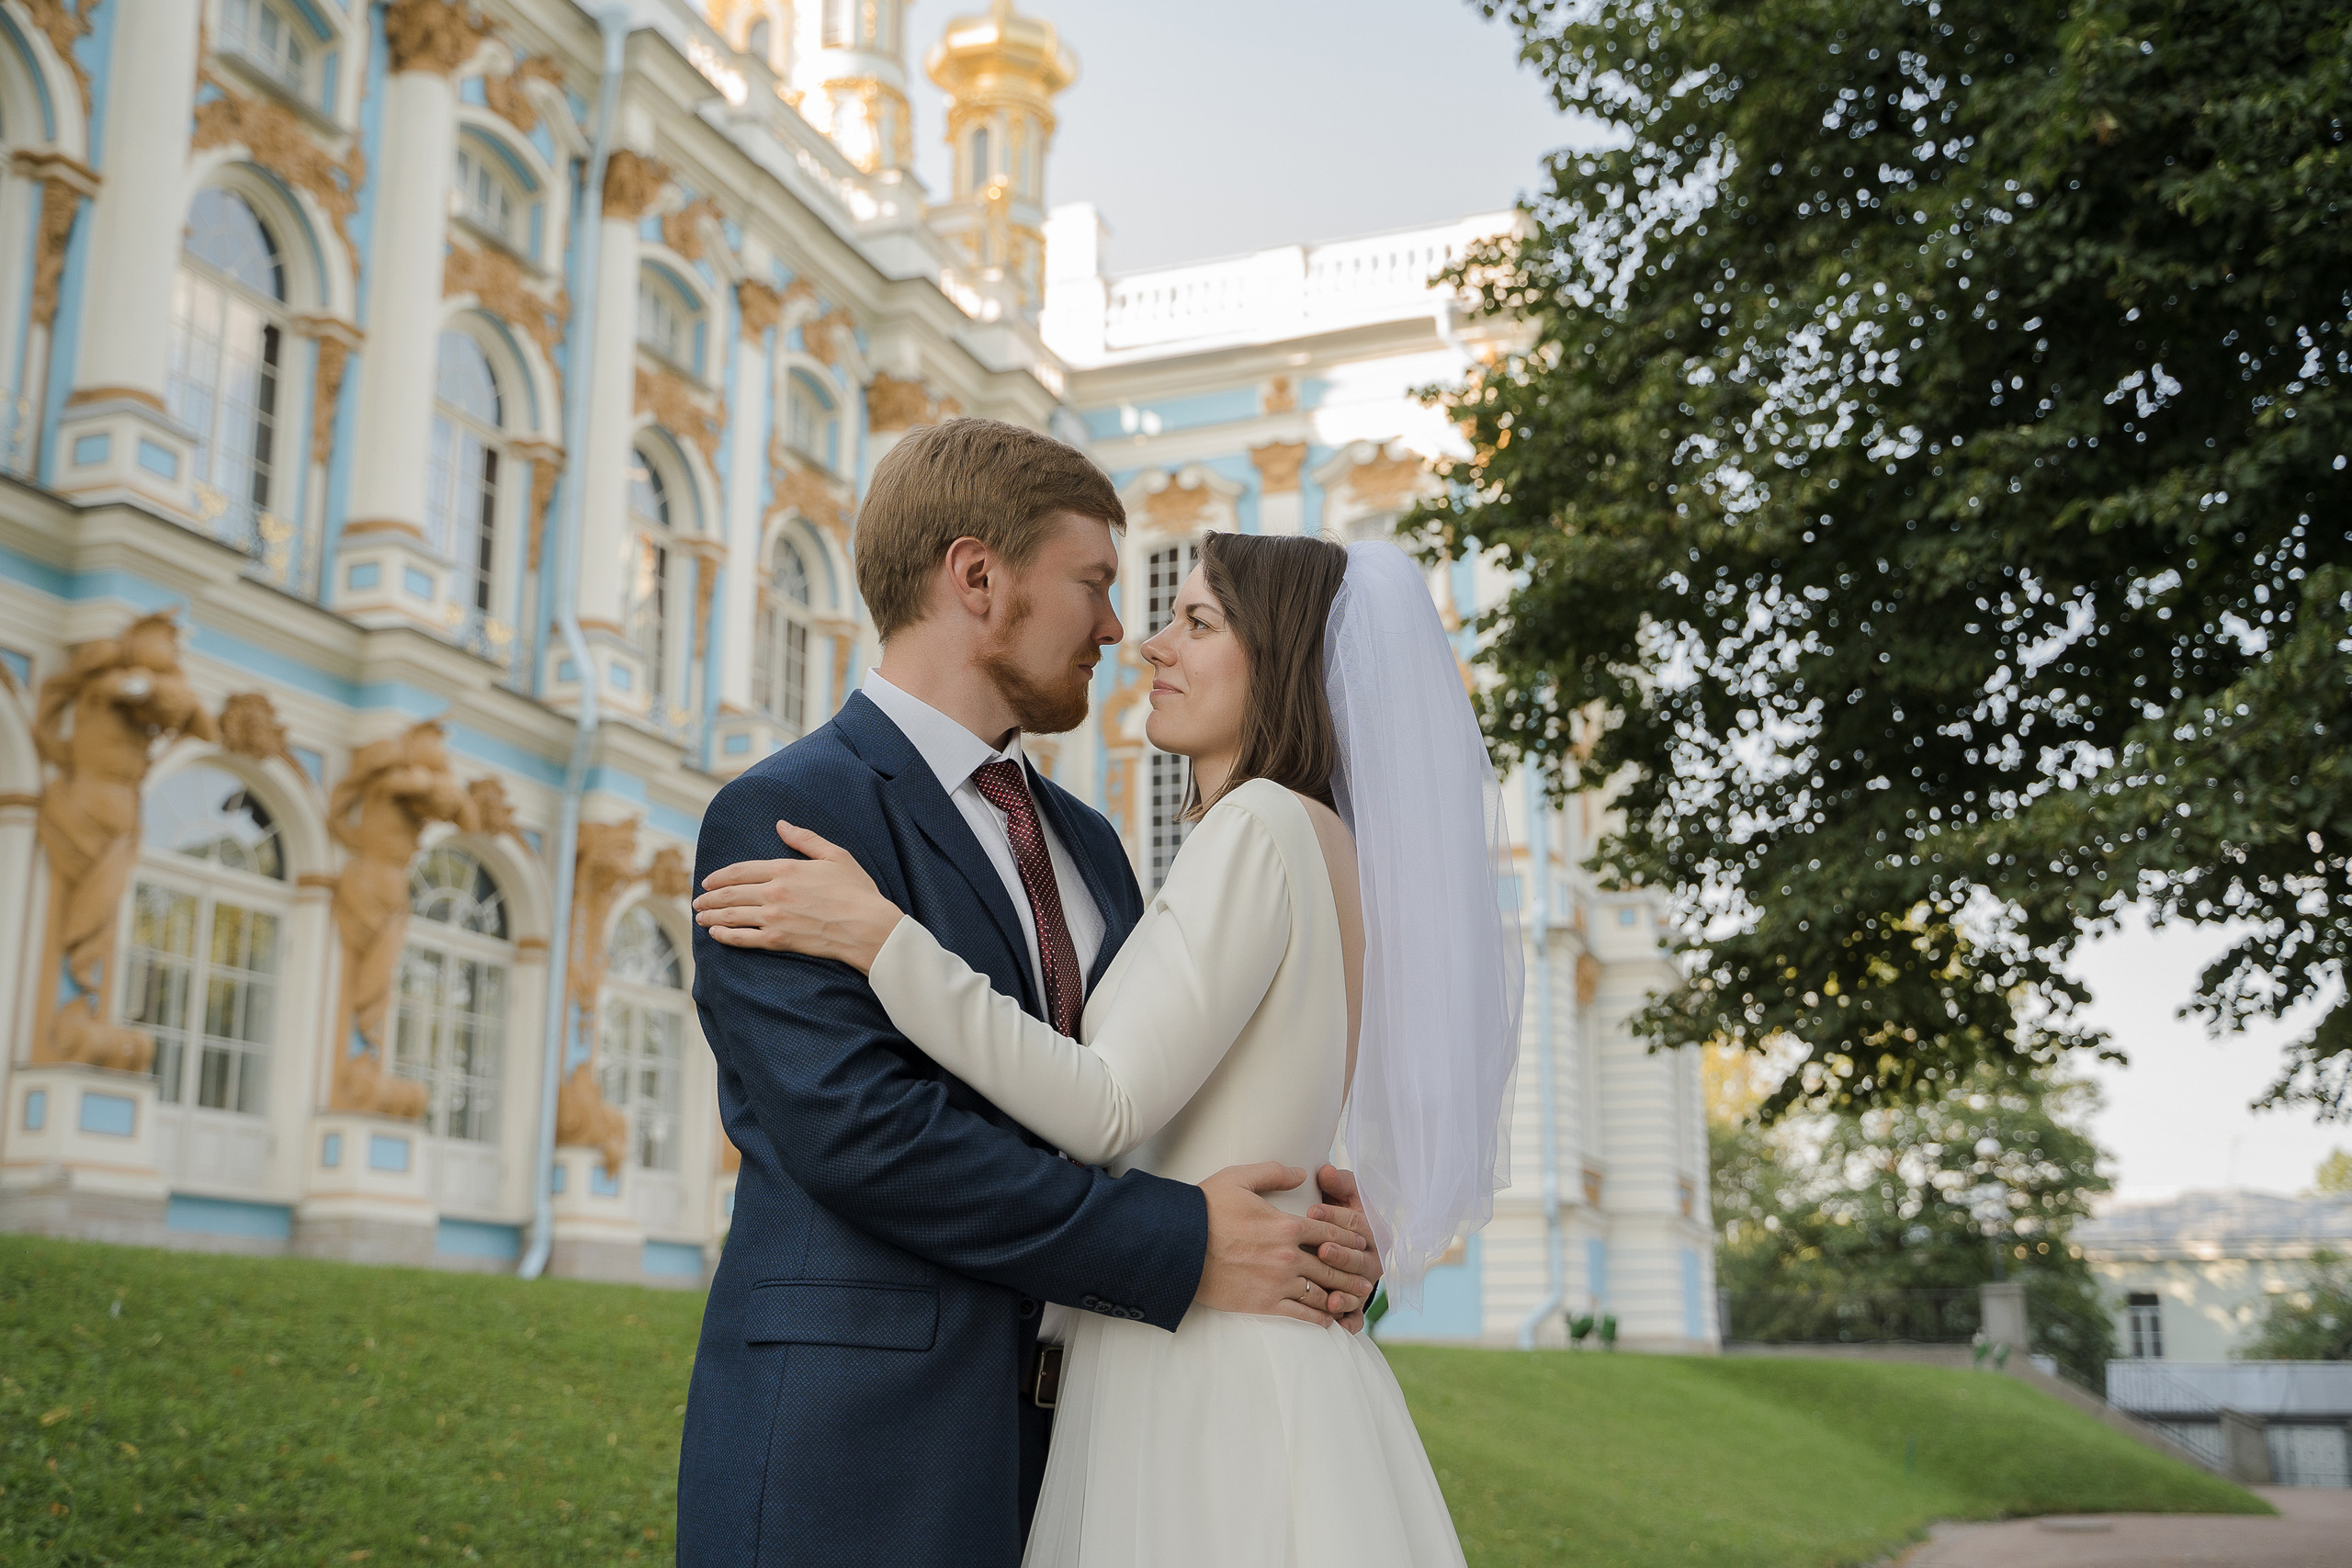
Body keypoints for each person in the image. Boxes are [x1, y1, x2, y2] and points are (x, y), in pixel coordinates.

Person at [696, 528, 1525, 1566]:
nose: (1138, 639)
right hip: (980, 1403)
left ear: (1284, 661)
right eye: (1112, 592)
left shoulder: (1242, 827)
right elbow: (863, 1127)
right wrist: (1302, 1207)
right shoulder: (1309, 840)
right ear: (975, 576)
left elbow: (1106, 1104)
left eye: (1197, 618)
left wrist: (883, 939)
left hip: (1194, 1362)